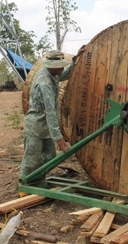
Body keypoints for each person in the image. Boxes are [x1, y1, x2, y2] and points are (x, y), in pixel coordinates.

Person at [19, 47, 85, 187]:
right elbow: (50, 112)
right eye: (59, 67)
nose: (61, 69)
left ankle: (36, 179)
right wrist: (59, 138)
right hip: (36, 124)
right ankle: (24, 184)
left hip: (46, 126)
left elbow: (64, 74)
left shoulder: (51, 73)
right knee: (31, 158)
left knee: (49, 156)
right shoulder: (45, 83)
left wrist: (75, 60)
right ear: (51, 67)